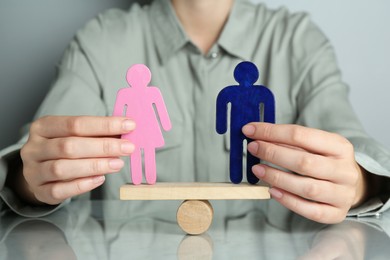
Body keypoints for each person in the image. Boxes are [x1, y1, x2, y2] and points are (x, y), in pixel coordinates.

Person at [1, 0, 389, 224]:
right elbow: (39, 153)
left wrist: (360, 183)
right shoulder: (100, 42)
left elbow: (351, 143)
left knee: (245, 162)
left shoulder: (299, 42)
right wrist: (27, 178)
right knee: (147, 163)